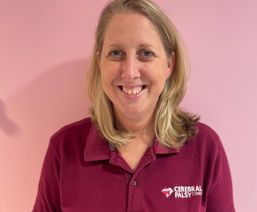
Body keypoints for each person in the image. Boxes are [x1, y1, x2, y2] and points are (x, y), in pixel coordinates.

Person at [33, 0, 235, 211]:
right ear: (100, 61)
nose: (130, 72)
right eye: (116, 53)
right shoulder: (64, 148)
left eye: (146, 53)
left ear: (169, 64)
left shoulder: (204, 148)